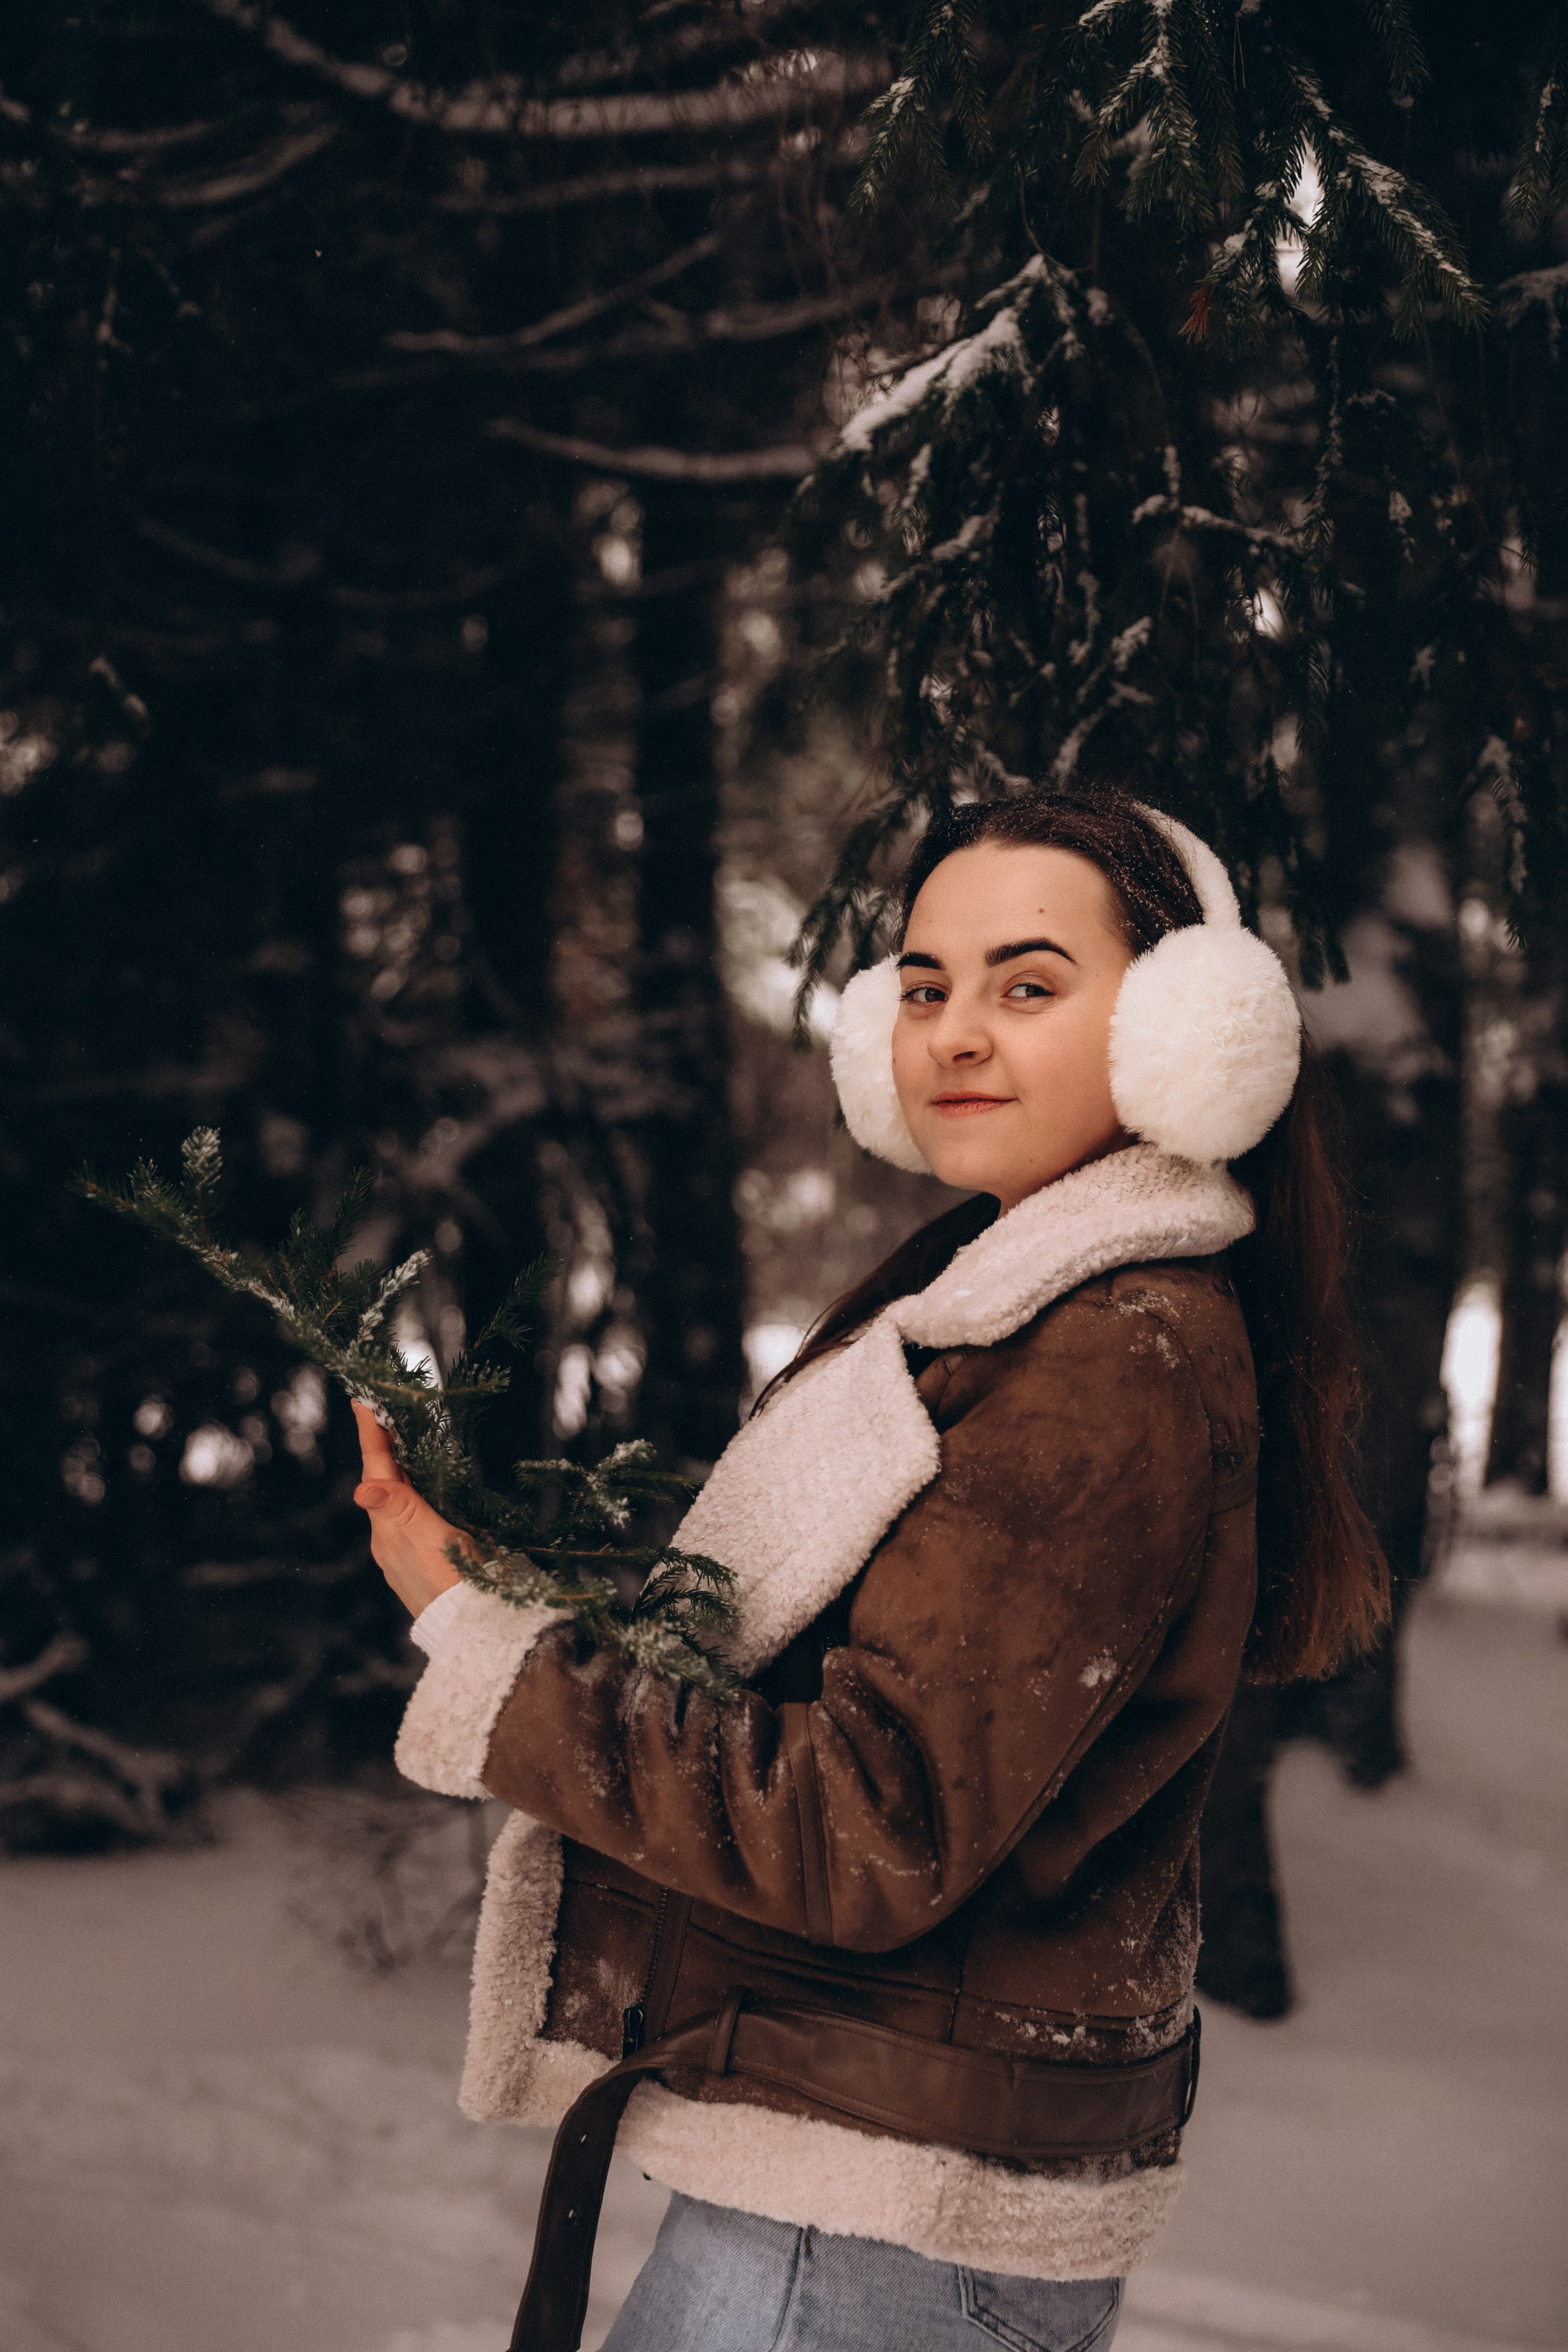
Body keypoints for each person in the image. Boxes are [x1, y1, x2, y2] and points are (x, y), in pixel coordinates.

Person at [354, 788, 1388, 2352]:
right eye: (921, 988)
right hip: (876, 2198)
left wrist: (489, 1648)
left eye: (1026, 986)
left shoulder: (1102, 1357)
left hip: (869, 2239)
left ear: (1182, 1029)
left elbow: (868, 1827)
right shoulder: (1032, 1308)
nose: (953, 1033)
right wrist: (528, 1611)